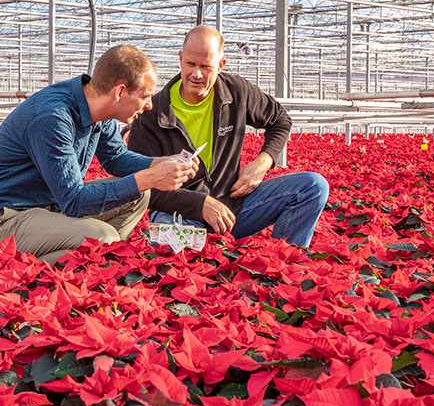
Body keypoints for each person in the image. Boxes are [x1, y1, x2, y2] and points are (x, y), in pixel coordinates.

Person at [0, 44, 198, 261]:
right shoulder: (54, 117)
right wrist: (151, 177)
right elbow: (74, 201)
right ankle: (81, 262)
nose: (149, 105)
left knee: (138, 195)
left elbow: (116, 158)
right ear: (120, 92)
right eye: (145, 96)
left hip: (46, 207)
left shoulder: (97, 108)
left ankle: (99, 263)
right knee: (102, 237)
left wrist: (158, 164)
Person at [127, 25, 328, 248]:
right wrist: (200, 204)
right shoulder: (152, 114)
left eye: (206, 66)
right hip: (180, 214)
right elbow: (143, 187)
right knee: (178, 250)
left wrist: (262, 164)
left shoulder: (236, 92)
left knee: (313, 186)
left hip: (233, 209)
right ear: (181, 58)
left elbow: (279, 120)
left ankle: (284, 261)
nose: (197, 74)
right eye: (190, 64)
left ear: (221, 65)